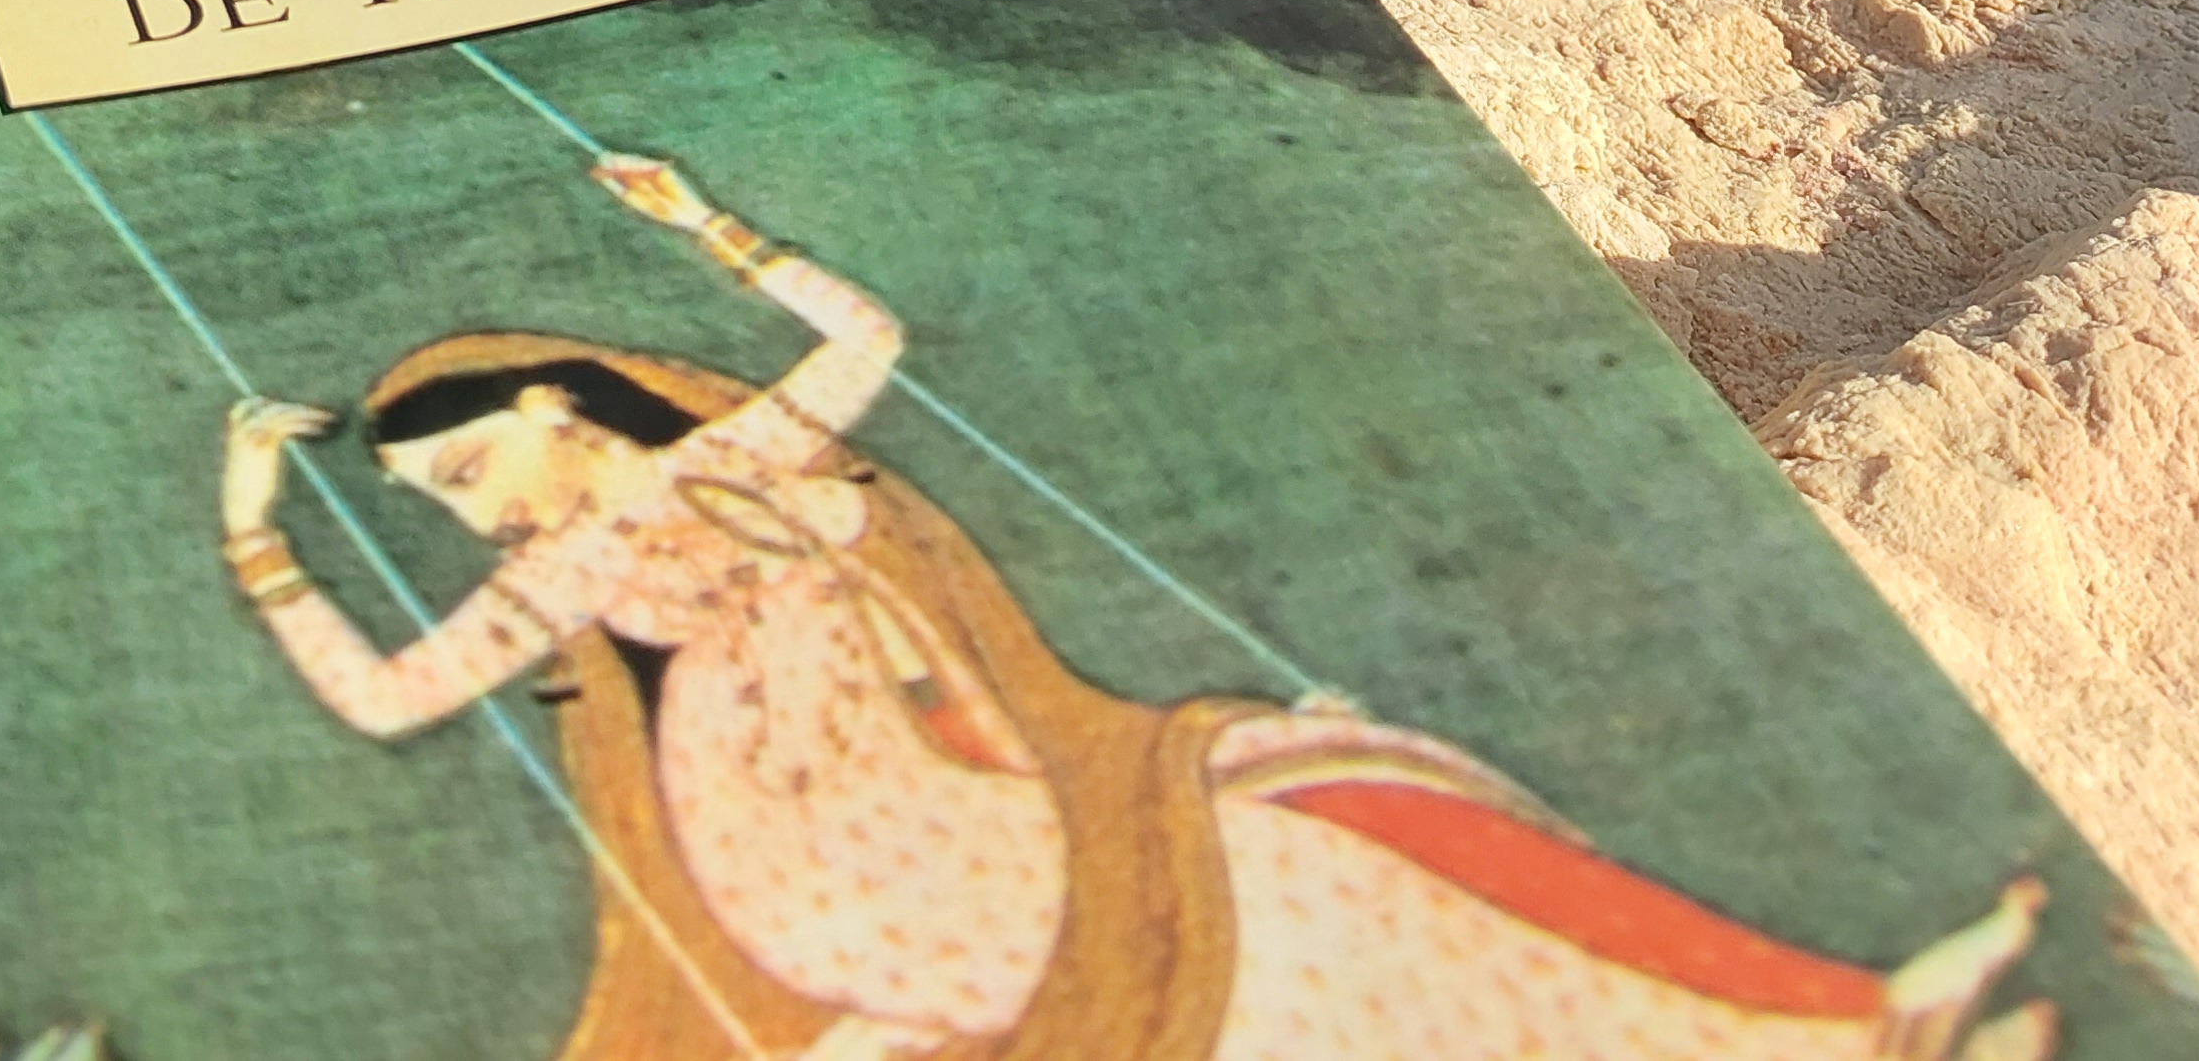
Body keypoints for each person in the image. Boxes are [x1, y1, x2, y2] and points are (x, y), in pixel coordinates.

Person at [218, 155, 2054, 1061]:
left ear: (556, 408)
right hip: (833, 842)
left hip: (950, 777)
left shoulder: (728, 459)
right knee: (1304, 851)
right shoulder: (566, 574)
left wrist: (707, 231)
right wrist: (256, 535)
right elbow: (385, 700)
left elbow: (863, 341)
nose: (475, 512)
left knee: (1353, 794)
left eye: (469, 469)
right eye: (443, 504)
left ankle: (1830, 1019)